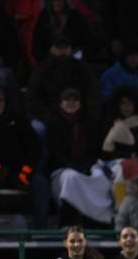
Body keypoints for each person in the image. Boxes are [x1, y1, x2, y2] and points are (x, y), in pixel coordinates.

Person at [0, 85, 48, 230]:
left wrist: (27, 169)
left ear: (6, 102)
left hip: (19, 172)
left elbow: (34, 148)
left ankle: (41, 231)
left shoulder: (18, 120)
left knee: (40, 183)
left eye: (0, 100)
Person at [46, 87, 109, 227]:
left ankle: (98, 223)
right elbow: (54, 153)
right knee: (71, 178)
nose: (71, 103)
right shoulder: (54, 123)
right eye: (67, 100)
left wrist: (86, 166)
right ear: (60, 103)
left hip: (85, 167)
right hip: (61, 170)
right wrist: (72, 166)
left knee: (100, 177)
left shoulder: (88, 123)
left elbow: (94, 150)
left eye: (75, 100)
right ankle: (68, 223)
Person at [100, 85, 138, 164]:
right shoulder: (110, 124)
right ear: (117, 105)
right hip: (114, 167)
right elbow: (104, 152)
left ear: (137, 105)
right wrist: (127, 157)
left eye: (130, 103)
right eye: (123, 103)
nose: (126, 107)